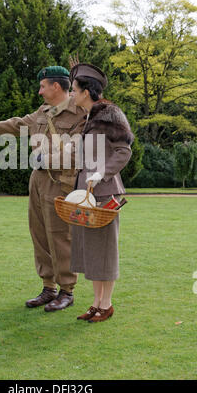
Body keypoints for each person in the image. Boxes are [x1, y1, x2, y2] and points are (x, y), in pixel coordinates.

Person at [0, 66, 85, 311]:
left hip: (61, 182)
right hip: (38, 180)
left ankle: (67, 290)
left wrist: (47, 159)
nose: (39, 91)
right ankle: (48, 287)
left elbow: (78, 152)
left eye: (43, 86)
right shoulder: (42, 112)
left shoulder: (79, 115)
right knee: (39, 233)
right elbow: (16, 124)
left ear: (56, 86)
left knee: (60, 236)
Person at [68, 63, 134, 322]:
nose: (71, 94)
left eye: (74, 89)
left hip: (105, 193)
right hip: (86, 194)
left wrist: (102, 173)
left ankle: (106, 305)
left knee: (104, 250)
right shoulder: (88, 117)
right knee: (91, 250)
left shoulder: (110, 113)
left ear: (86, 91)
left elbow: (124, 151)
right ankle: (96, 303)